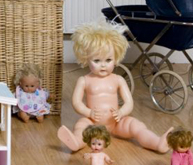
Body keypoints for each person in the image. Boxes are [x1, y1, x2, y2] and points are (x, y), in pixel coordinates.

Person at [57, 20, 173, 153]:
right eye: (97, 60)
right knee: (81, 125)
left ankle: (157, 143)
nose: (103, 65)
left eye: (108, 60)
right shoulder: (84, 80)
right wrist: (89, 113)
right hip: (93, 123)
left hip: (116, 123)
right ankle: (76, 142)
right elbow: (76, 103)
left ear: (116, 58)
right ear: (86, 58)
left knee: (136, 125)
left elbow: (129, 103)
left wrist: (121, 112)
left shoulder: (118, 80)